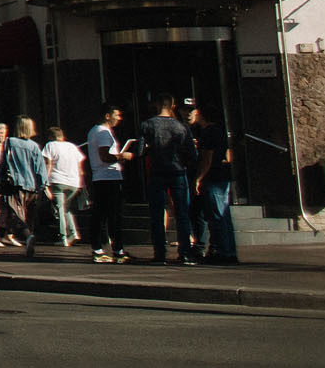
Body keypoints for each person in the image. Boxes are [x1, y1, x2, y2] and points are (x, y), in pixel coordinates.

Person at [137, 93, 198, 265]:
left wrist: (152, 149)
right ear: (172, 106)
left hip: (157, 172)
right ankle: (185, 252)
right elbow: (192, 154)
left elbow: (140, 151)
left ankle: (160, 253)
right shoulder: (181, 126)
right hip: (178, 172)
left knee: (157, 213)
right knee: (182, 213)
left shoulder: (147, 125)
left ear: (157, 105)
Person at [188, 99, 238, 265]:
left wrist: (198, 178)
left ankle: (221, 251)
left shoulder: (208, 132)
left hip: (213, 177)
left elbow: (206, 159)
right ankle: (229, 250)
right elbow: (227, 155)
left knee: (216, 216)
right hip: (223, 176)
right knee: (224, 216)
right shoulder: (220, 131)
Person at [85, 104, 134, 264]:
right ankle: (116, 250)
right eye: (116, 115)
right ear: (107, 116)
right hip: (109, 177)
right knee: (113, 215)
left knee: (101, 214)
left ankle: (99, 248)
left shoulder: (94, 131)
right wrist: (123, 156)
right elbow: (105, 156)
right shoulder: (103, 133)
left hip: (100, 178)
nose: (119, 118)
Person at [2, 119, 50, 256]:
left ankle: (28, 235)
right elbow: (40, 167)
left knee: (16, 212)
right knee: (28, 214)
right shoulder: (34, 146)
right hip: (32, 184)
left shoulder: (10, 142)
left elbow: (5, 162)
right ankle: (24, 235)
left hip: (15, 183)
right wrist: (44, 185)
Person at [42, 125, 86, 246]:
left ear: (51, 136)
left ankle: (63, 237)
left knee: (60, 209)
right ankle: (74, 233)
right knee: (66, 208)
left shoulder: (50, 146)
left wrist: (44, 181)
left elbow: (48, 164)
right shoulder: (72, 147)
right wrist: (81, 183)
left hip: (57, 181)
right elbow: (79, 166)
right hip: (74, 182)